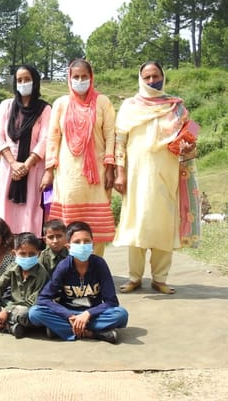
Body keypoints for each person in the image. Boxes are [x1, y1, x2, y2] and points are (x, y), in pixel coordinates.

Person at [113, 61, 201, 295]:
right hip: (136, 175)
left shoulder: (176, 107)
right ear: (141, 79)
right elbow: (119, 142)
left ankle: (160, 279)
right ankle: (134, 277)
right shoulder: (129, 106)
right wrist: (119, 173)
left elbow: (192, 137)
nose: (152, 81)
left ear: (163, 77)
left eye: (156, 76)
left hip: (167, 173)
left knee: (163, 224)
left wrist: (188, 146)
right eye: (147, 77)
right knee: (138, 223)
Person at [40, 58, 116, 256]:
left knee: (95, 226)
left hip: (96, 174)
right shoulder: (61, 104)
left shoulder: (103, 102)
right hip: (68, 174)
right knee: (68, 223)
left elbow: (110, 136)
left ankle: (96, 263)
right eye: (76, 77)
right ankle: (70, 265)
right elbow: (53, 138)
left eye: (84, 76)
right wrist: (48, 171)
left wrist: (110, 168)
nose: (80, 81)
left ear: (91, 78)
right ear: (69, 78)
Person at [29, 221, 129, 344]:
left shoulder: (99, 264)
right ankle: (92, 333)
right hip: (69, 314)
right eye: (77, 242)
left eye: (86, 241)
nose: (82, 245)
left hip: (93, 314)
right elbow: (43, 298)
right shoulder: (64, 266)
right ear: (68, 246)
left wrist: (88, 313)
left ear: (92, 244)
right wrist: (69, 315)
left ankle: (63, 330)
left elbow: (111, 301)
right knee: (35, 313)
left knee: (121, 314)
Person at [0, 65, 51, 237]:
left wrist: (25, 166)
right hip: (9, 170)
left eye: (27, 79)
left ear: (35, 82)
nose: (23, 83)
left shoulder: (44, 109)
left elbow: (45, 139)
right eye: (19, 80)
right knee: (5, 214)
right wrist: (14, 164)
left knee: (30, 213)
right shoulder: (7, 106)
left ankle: (29, 246)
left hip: (33, 169)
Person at [0, 233, 49, 338]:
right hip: (11, 305)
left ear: (38, 254)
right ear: (14, 253)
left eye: (32, 254)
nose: (27, 257)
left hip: (26, 307)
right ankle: (10, 325)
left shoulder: (42, 273)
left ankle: (6, 324)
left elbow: (32, 301)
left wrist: (8, 310)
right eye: (23, 253)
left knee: (28, 313)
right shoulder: (13, 267)